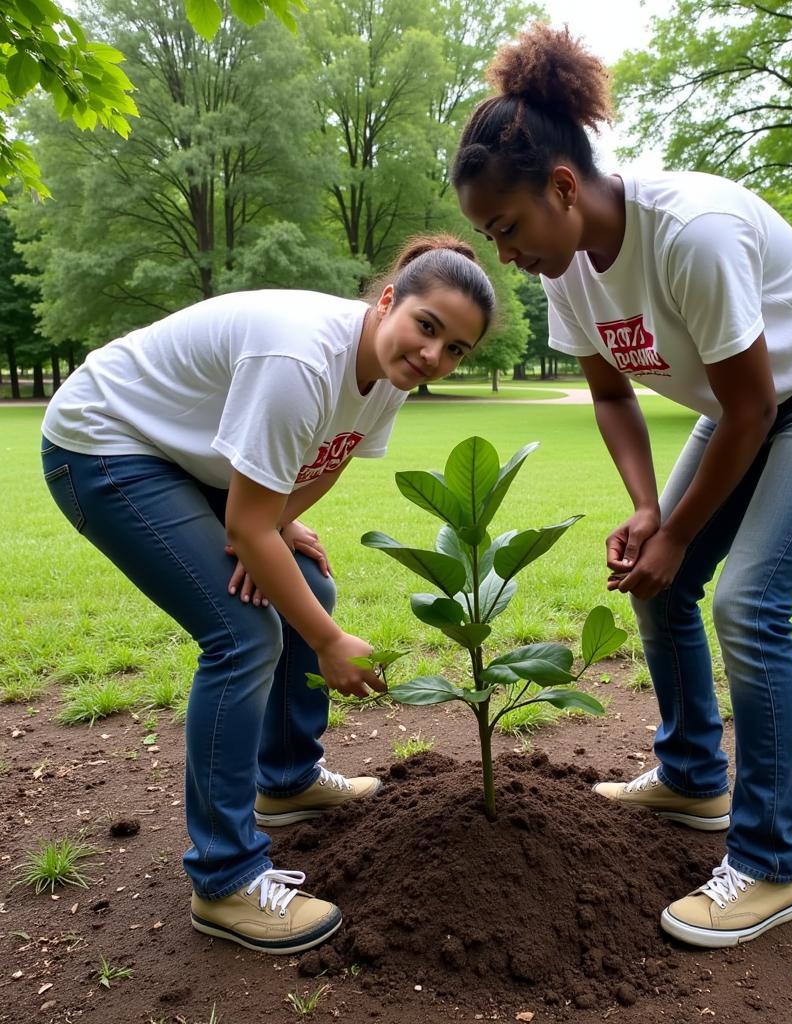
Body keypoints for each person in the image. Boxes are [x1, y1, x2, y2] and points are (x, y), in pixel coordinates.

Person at [454, 25, 792, 948]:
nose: (505, 255)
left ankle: (772, 864)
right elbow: (612, 395)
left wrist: (680, 535)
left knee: (747, 604)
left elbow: (751, 409)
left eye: (507, 228)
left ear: (563, 188)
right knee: (656, 585)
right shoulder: (566, 269)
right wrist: (651, 512)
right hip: (744, 405)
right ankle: (695, 776)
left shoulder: (690, 231)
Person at [41, 235, 495, 955]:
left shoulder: (386, 378)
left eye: (457, 350)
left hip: (188, 451)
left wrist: (278, 527)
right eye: (428, 327)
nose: (434, 356)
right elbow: (247, 527)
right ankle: (223, 880)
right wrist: (326, 639)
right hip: (105, 442)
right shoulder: (300, 358)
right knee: (242, 634)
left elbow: (326, 461)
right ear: (386, 302)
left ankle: (285, 778)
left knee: (305, 580)